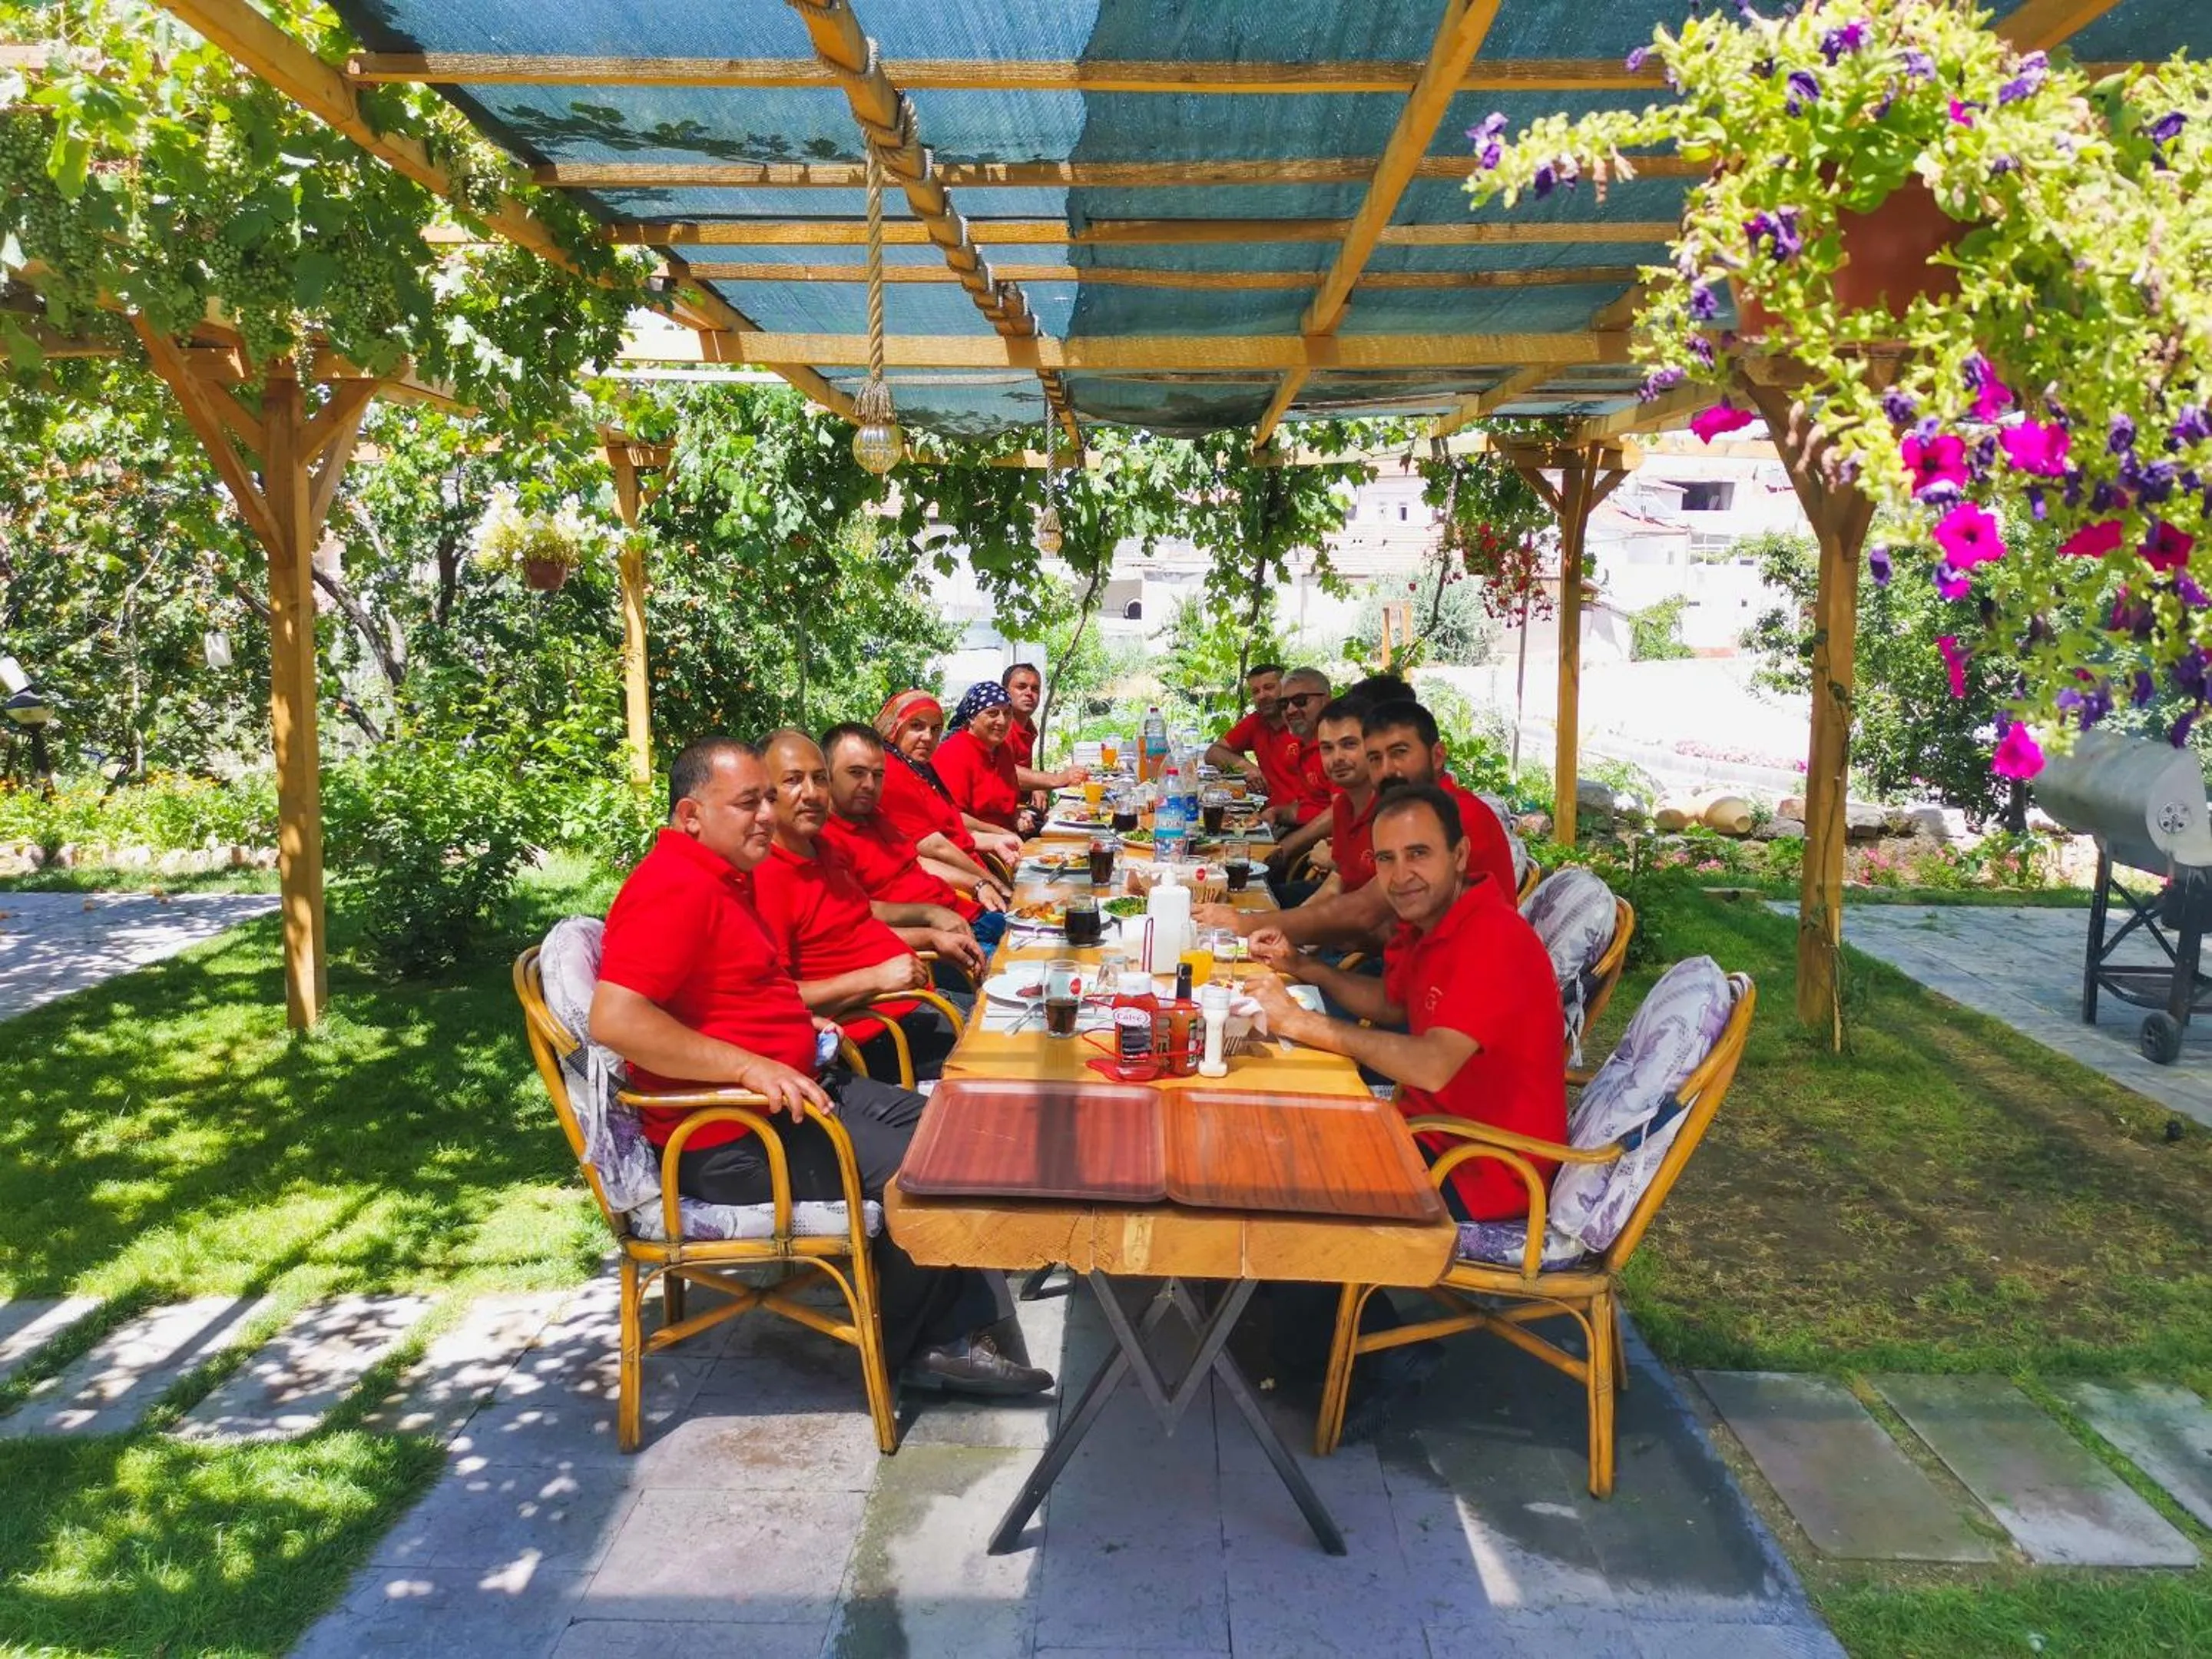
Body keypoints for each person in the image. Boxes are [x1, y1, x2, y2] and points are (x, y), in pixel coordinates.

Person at [588, 737, 1051, 1395]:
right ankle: (916, 1347)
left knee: (961, 1129)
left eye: (764, 802)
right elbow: (618, 1020)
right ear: (691, 816)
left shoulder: (726, 876)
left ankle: (955, 1315)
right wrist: (751, 1067)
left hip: (806, 1090)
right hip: (734, 1136)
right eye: (748, 803)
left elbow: (729, 992)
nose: (767, 817)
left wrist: (792, 1025)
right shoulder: (675, 887)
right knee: (929, 1168)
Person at [1242, 784, 1567, 1224]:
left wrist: (1301, 1022)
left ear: (1460, 855)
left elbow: (1432, 1066)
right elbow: (1394, 1005)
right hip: (1427, 1132)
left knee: (1281, 1184)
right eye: (1386, 859)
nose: (1400, 875)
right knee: (1272, 1137)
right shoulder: (1435, 920)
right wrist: (1303, 966)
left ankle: (1327, 1289)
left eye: (1418, 854)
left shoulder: (1493, 938)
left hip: (1481, 1171)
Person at [1195, 697, 1515, 952]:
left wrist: (1248, 924)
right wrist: (1294, 943)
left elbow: (1365, 914)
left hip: (1451, 986)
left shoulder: (1453, 815)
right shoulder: (1373, 807)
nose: (1388, 769)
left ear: (1437, 756)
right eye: (1377, 758)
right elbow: (1341, 890)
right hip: (1402, 968)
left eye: (1399, 753)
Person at [750, 730, 978, 1081]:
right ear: (764, 794)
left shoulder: (823, 850)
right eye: (793, 781)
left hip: (915, 998)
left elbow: (862, 923)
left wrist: (931, 936)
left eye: (819, 779)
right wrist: (875, 978)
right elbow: (772, 1000)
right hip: (875, 1031)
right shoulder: (767, 877)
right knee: (1011, 1051)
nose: (811, 794)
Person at [819, 722, 1008, 952]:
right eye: (856, 773)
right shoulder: (825, 839)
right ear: (825, 775)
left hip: (969, 914)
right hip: (941, 946)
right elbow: (856, 918)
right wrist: (931, 920)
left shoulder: (875, 816)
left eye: (878, 775)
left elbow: (918, 862)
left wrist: (979, 884)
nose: (869, 785)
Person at [873, 688, 1022, 882]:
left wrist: (997, 840)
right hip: (949, 883)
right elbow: (934, 846)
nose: (927, 737)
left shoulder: (920, 769)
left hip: (973, 867)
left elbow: (953, 828)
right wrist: (988, 881)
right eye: (916, 726)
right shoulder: (890, 770)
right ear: (894, 728)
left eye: (935, 729)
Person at [932, 681, 1038, 837]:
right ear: (972, 718)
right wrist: (1001, 833)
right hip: (973, 845)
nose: (1002, 721)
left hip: (1008, 839)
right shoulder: (953, 753)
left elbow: (1002, 806)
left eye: (1007, 713)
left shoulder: (1002, 750)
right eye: (992, 713)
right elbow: (952, 818)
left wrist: (1016, 816)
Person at [1204, 663, 1300, 802]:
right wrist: (1246, 767)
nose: (1262, 696)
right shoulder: (1256, 721)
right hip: (1267, 813)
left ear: (1285, 689)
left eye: (1269, 688)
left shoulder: (1304, 724)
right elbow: (1213, 753)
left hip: (1301, 817)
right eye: (1256, 691)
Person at [1000, 661, 1087, 793]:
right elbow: (1003, 771)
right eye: (1021, 687)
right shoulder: (999, 726)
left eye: (1035, 689)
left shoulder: (1028, 726)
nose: (1029, 693)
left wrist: (1036, 787)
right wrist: (1058, 779)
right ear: (1005, 691)